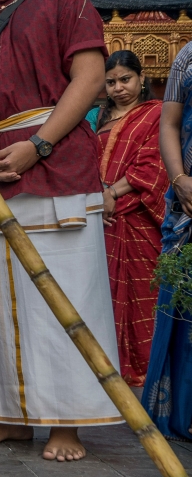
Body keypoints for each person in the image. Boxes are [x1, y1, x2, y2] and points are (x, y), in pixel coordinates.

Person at [0, 0, 122, 461]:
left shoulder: (65, 1)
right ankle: (12, 417)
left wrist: (38, 147)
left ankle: (66, 423)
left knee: (66, 296)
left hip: (54, 165)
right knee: (0, 299)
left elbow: (90, 78)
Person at [87, 52, 166, 388]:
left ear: (141, 78)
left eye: (125, 79)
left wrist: (111, 195)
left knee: (143, 292)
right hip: (98, 218)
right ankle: (105, 366)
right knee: (100, 294)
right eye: (111, 82)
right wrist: (96, 198)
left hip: (135, 217)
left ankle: (146, 369)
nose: (118, 88)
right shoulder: (95, 118)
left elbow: (153, 167)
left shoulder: (156, 113)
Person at [142, 41, 192, 440]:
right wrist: (181, 181)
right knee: (183, 309)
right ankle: (180, 414)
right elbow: (170, 124)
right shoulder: (187, 56)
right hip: (188, 204)